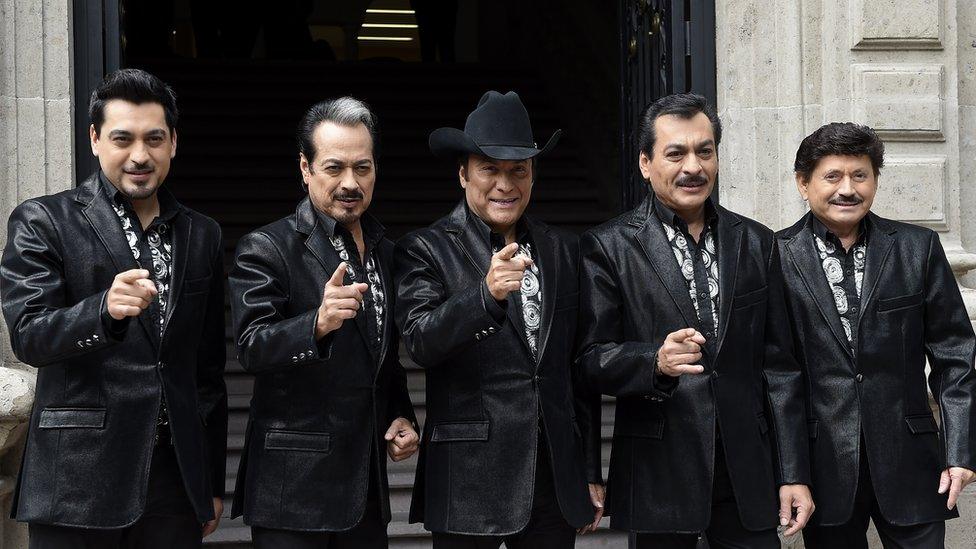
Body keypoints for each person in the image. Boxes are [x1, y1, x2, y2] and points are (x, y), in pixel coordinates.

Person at [0, 68, 227, 548]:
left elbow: (205, 371)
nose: (140, 155)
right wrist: (101, 311)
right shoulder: (42, 220)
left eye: (155, 139)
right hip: (76, 478)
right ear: (95, 139)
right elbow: (29, 337)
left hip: (173, 479)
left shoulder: (202, 233)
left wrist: (207, 481)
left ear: (173, 143)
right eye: (123, 138)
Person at [576, 93, 814, 548]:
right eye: (675, 153)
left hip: (747, 468)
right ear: (645, 163)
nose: (693, 166)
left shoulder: (757, 241)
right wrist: (654, 362)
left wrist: (793, 472)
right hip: (658, 468)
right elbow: (589, 360)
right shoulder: (608, 247)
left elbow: (780, 367)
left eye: (705, 151)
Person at [394, 90, 604, 548]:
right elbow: (420, 341)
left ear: (533, 177)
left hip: (553, 477)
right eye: (490, 169)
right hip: (468, 477)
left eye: (518, 171)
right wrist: (484, 297)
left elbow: (577, 371)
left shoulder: (563, 251)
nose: (505, 185)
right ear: (463, 173)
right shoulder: (425, 249)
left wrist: (588, 471)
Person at [228, 97, 419, 549]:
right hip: (292, 488)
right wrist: (315, 323)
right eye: (334, 168)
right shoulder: (268, 247)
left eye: (363, 168)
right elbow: (252, 347)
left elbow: (383, 359)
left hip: (365, 488)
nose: (350, 183)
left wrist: (401, 416)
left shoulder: (388, 252)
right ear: (305, 168)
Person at [777, 122, 976, 549]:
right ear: (803, 183)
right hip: (823, 466)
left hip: (913, 462)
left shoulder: (916, 247)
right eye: (832, 176)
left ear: (875, 181)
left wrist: (960, 450)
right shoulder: (775, 255)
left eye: (860, 175)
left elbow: (955, 354)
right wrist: (791, 472)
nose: (846, 189)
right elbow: (778, 374)